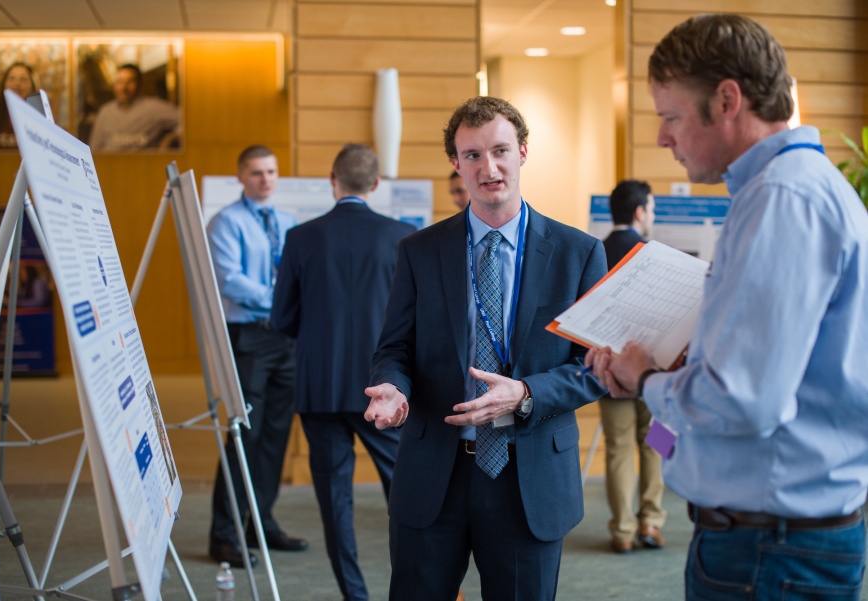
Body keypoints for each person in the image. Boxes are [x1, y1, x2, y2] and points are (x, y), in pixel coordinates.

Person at [585, 14, 868, 600]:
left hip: (768, 550)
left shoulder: (781, 199)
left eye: (670, 116)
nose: (663, 138)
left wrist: (645, 379)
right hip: (774, 540)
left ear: (728, 100)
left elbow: (746, 399)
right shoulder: (789, 189)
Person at [364, 96, 608, 600]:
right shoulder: (419, 251)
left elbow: (595, 369)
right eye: (472, 155)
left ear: (522, 152)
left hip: (529, 476)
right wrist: (392, 387)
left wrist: (524, 393)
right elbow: (396, 348)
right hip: (436, 473)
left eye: (500, 151)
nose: (488, 167)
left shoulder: (578, 253)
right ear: (456, 163)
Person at [271, 143, 416, 600]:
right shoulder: (402, 236)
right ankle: (414, 586)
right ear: (375, 185)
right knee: (405, 495)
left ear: (331, 180)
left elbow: (281, 319)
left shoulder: (300, 237)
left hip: (320, 387)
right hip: (383, 388)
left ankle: (355, 595)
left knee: (335, 502)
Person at [206, 144, 308, 568]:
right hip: (248, 336)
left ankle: (260, 523)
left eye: (270, 171)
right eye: (255, 172)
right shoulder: (226, 222)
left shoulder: (288, 223)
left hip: (286, 339)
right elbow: (231, 281)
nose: (264, 179)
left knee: (276, 436)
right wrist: (280, 301)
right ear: (240, 176)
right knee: (244, 435)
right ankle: (224, 535)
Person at [598, 179, 666, 554]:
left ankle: (622, 531)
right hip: (654, 373)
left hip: (609, 372)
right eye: (651, 208)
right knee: (657, 444)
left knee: (619, 448)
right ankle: (651, 524)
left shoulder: (595, 251)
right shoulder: (652, 253)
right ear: (640, 211)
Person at [88, 64, 179, 151]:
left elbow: (188, 122)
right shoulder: (105, 111)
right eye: (119, 81)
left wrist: (171, 137)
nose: (123, 87)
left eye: (130, 82)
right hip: (108, 165)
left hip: (140, 165)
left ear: (140, 85)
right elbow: (95, 148)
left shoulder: (154, 108)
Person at [0, 62, 37, 150]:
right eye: (11, 78)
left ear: (32, 87)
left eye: (23, 79)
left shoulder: (41, 119)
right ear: (4, 85)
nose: (17, 84)